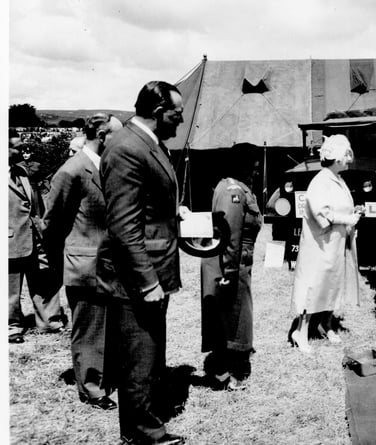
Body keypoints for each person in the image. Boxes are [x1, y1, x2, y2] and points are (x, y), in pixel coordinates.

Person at [96, 81, 186, 445]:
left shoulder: (147, 144)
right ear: (158, 111)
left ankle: (146, 414)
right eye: (176, 113)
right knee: (139, 354)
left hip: (153, 268)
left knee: (148, 351)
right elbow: (123, 226)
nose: (181, 120)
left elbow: (146, 207)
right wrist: (148, 280)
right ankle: (140, 431)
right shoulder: (127, 149)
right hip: (135, 276)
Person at [43, 113, 123, 410]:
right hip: (85, 265)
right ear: (102, 135)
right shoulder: (72, 171)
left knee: (108, 326)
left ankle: (106, 376)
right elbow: (52, 224)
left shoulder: (108, 167)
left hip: (110, 264)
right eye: (117, 135)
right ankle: (91, 388)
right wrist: (63, 262)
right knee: (89, 329)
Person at [289, 135, 363, 354]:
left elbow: (339, 208)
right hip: (320, 244)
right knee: (313, 285)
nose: (350, 160)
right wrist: (348, 219)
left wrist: (352, 213)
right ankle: (300, 332)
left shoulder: (338, 179)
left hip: (335, 244)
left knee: (333, 284)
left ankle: (325, 324)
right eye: (347, 155)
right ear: (338, 157)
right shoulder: (320, 181)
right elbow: (322, 214)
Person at [201, 146, 262, 391]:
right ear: (241, 165)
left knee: (233, 315)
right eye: (253, 166)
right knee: (235, 316)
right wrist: (229, 272)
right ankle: (231, 369)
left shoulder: (237, 186)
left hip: (238, 260)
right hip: (233, 261)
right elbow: (231, 235)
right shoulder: (233, 190)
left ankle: (227, 363)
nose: (256, 171)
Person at [9, 129, 65, 344]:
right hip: (10, 239)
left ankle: (50, 321)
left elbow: (35, 204)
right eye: (16, 146)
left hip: (35, 235)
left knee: (45, 278)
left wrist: (42, 226)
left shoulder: (23, 172)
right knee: (10, 287)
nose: (22, 150)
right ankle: (10, 326)